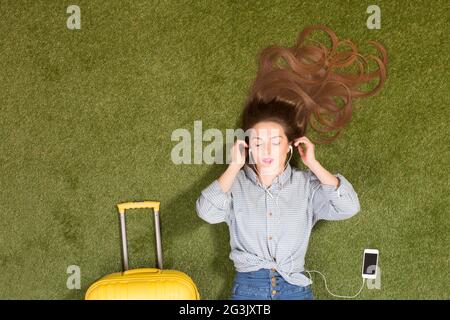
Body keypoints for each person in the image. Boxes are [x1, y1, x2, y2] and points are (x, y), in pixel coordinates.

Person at [195, 24, 387, 300]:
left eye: (276, 141)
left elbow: (348, 207)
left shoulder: (306, 185)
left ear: (289, 148)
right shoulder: (235, 185)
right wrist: (234, 166)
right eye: (258, 142)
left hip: (295, 288)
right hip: (249, 289)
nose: (266, 149)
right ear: (249, 147)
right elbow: (206, 212)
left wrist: (314, 165)